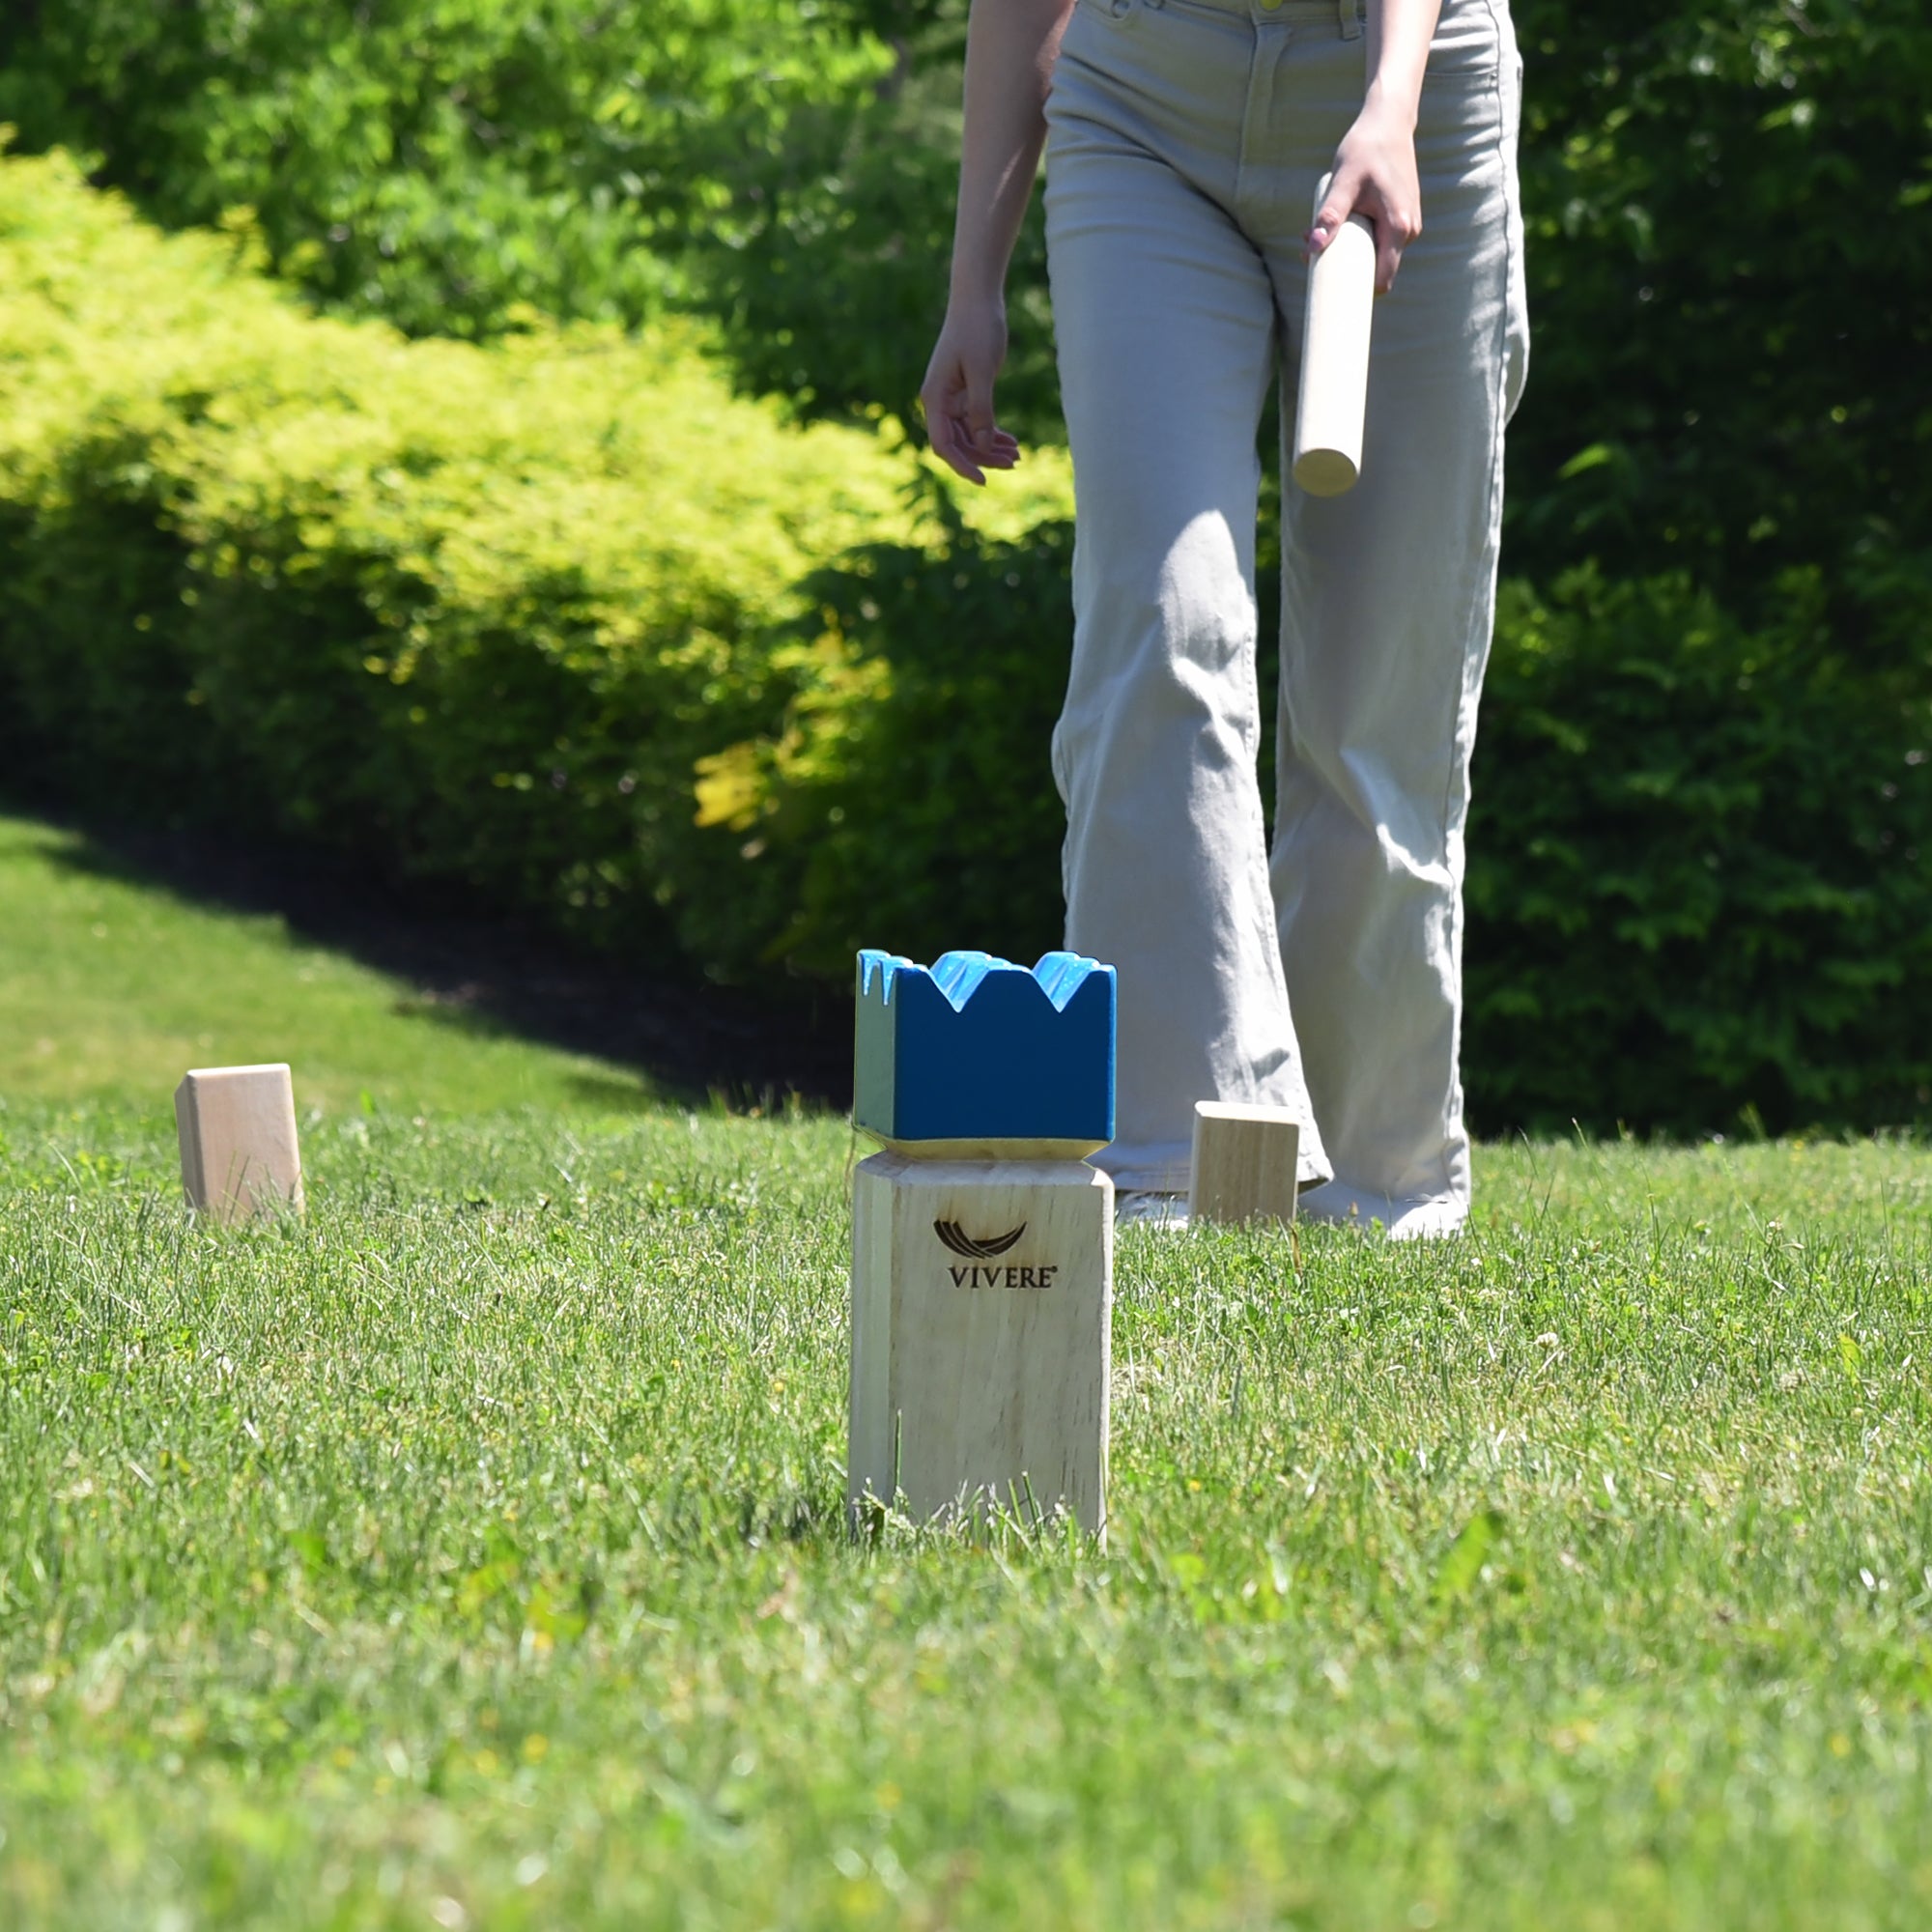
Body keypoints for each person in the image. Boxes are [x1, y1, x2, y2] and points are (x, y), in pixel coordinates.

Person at [922, 0, 1528, 1237]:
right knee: (1162, 622)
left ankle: (1373, 1179)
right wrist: (970, 282)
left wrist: (1389, 104)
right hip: (1141, 102)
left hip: (1409, 94)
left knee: (1378, 689)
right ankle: (1172, 1160)